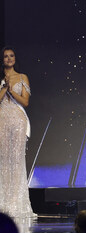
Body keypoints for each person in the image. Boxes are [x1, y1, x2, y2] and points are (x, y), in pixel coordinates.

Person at [0, 46, 35, 218]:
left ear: (15, 58)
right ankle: (3, 202)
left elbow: (25, 102)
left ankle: (16, 202)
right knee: (4, 161)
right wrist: (5, 87)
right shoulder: (0, 79)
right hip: (2, 120)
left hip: (19, 120)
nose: (8, 59)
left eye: (11, 56)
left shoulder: (22, 77)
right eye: (5, 56)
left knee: (17, 160)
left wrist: (12, 90)